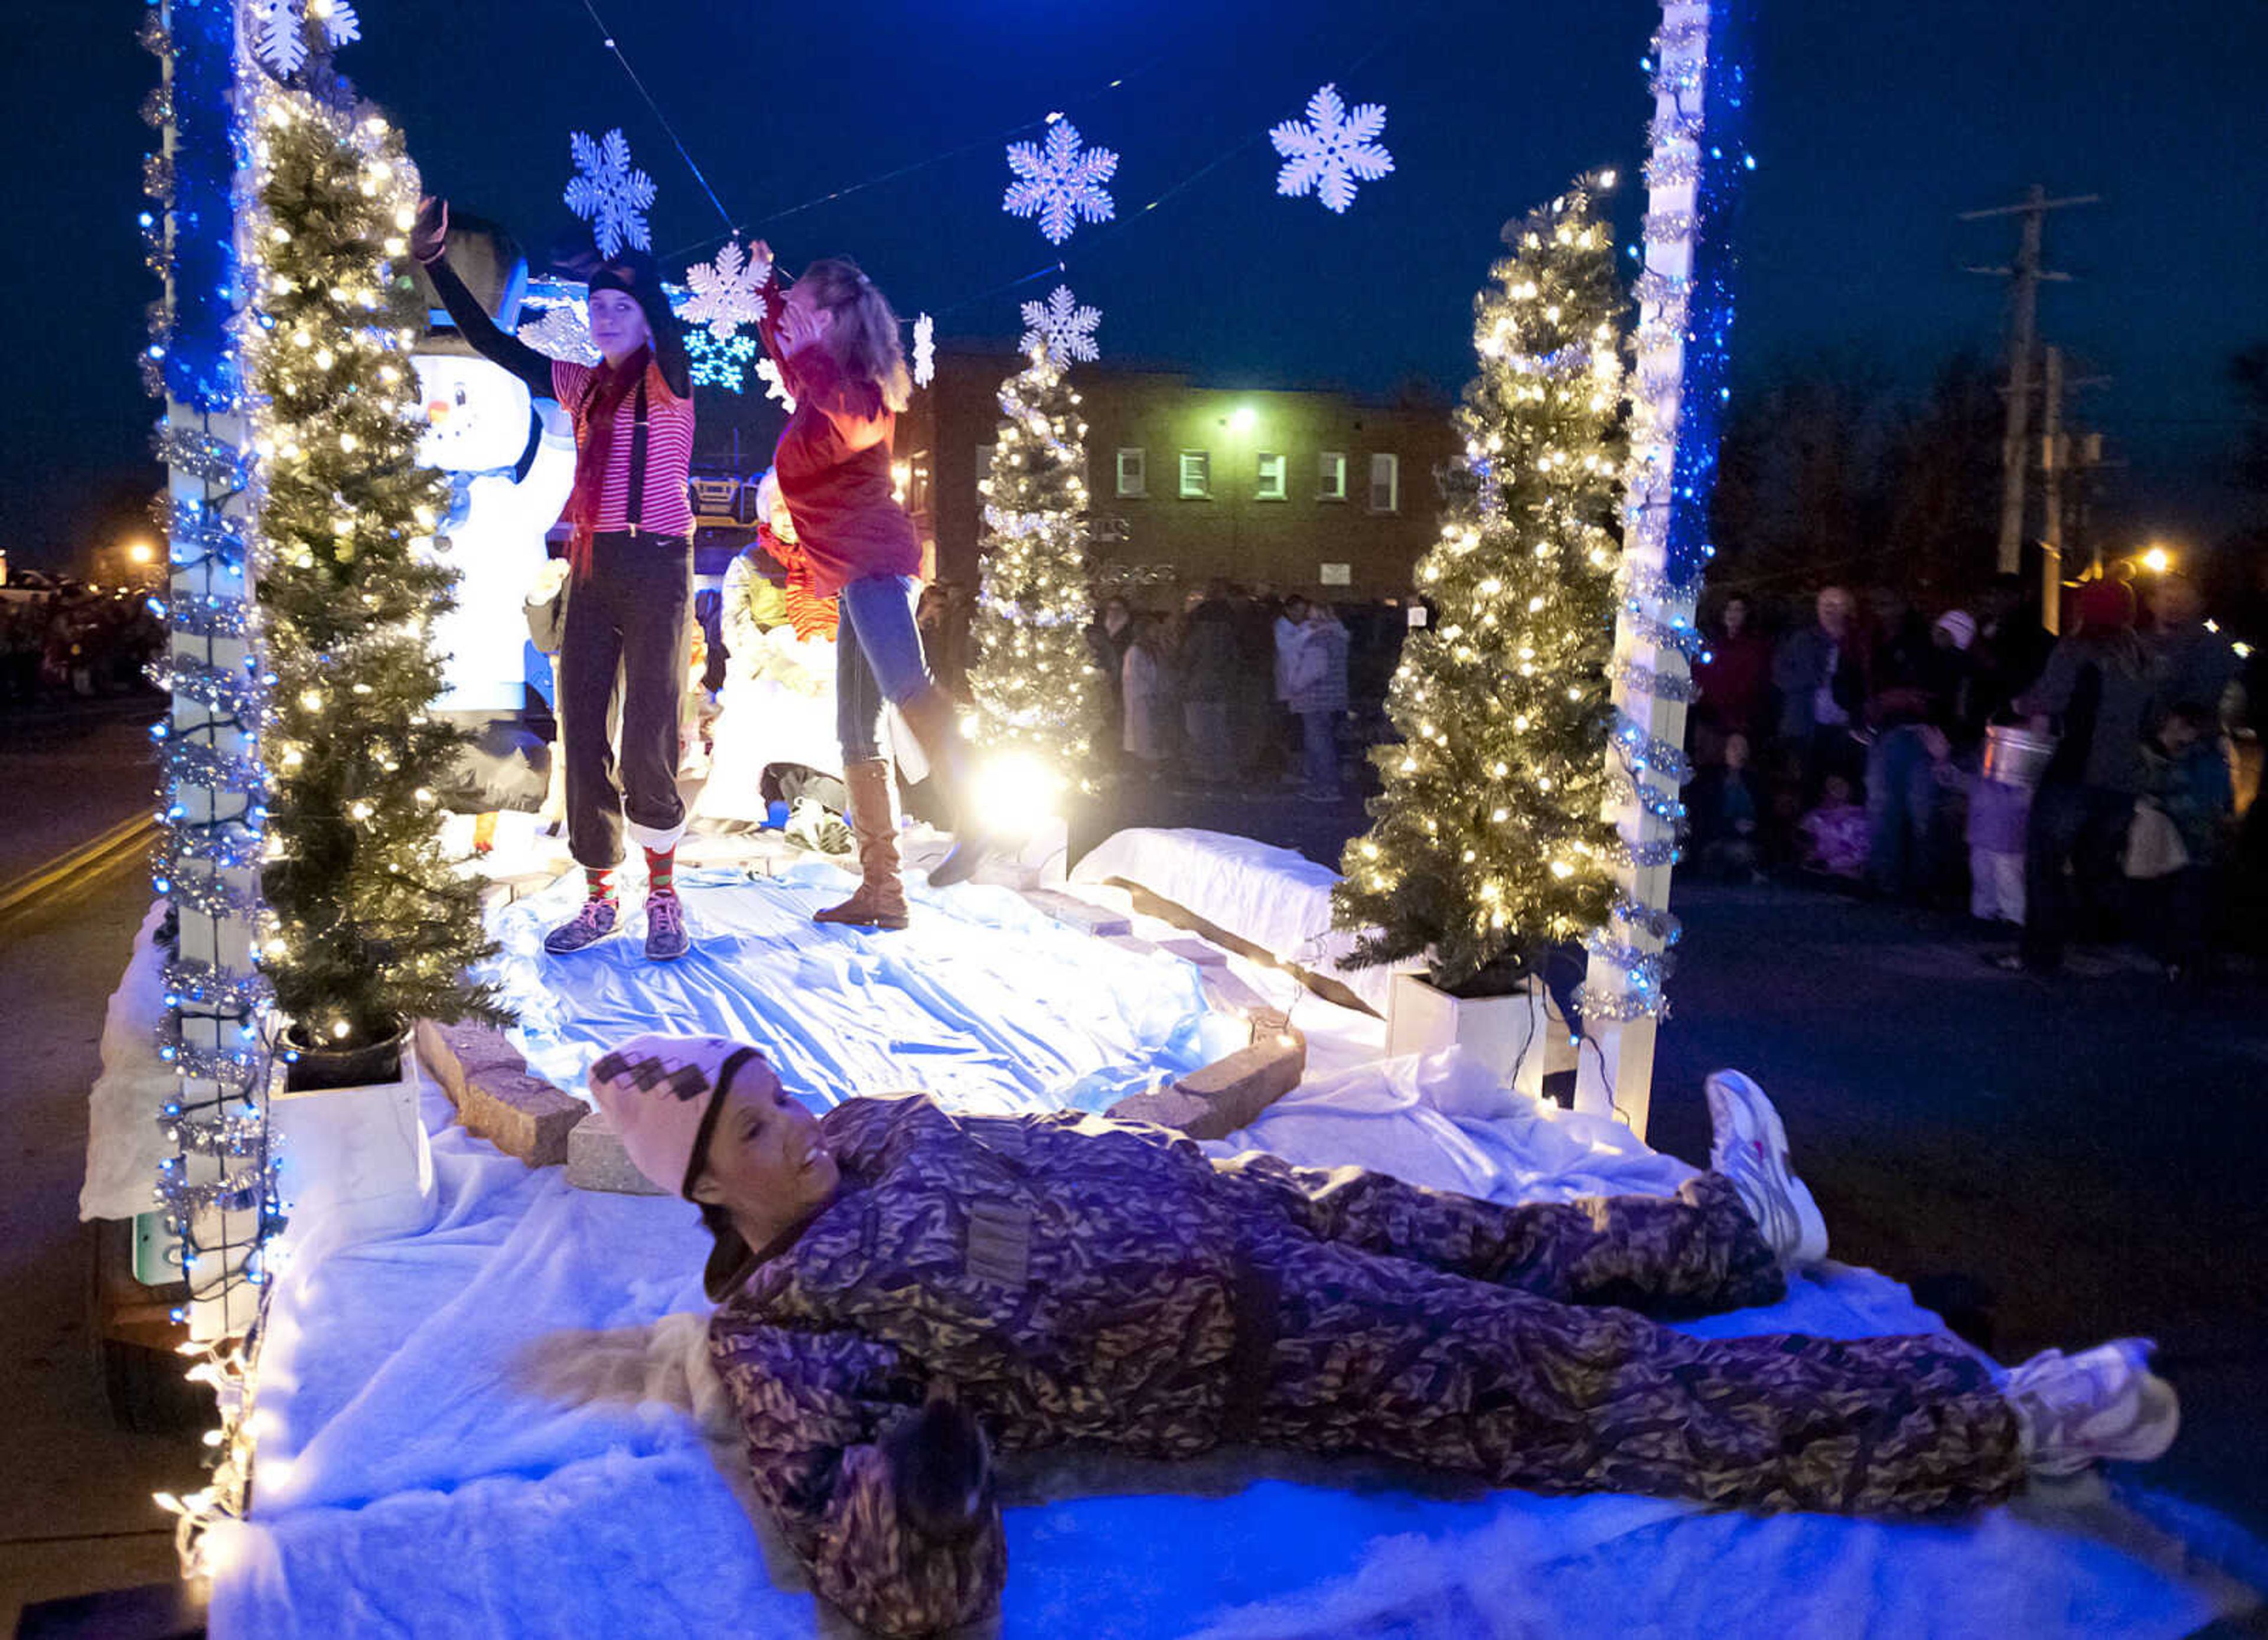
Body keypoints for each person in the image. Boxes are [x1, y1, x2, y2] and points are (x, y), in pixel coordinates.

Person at [585, 1036, 2178, 1639]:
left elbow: (1042, 1155)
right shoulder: (790, 1332)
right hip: (1282, 1343)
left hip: (1262, 1208)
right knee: (1593, 1387)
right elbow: (860, 1565)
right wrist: (919, 1494)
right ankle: (1991, 1427)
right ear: (712, 1190)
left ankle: (1741, 1232)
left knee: (1520, 1237)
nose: (790, 1115)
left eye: (769, 1090)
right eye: (753, 1121)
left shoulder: (868, 1133)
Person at [414, 198, 698, 961]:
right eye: (597, 306)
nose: (604, 318)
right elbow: (491, 341)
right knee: (582, 731)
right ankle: (601, 895)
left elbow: (661, 319)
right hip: (594, 565)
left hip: (659, 565)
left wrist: (630, 268)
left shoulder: (670, 378)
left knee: (646, 737)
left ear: (645, 317)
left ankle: (664, 896)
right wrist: (436, 263)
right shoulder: (580, 385)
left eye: (619, 307)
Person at [749, 242, 1000, 909]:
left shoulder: (858, 391)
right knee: (855, 730)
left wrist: (797, 342)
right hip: (853, 572)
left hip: (877, 564)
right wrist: (767, 290)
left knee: (905, 686)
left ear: (830, 320)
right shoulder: (819, 383)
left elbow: (852, 419)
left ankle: (980, 812)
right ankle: (882, 889)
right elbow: (785, 350)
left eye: (803, 311)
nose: (791, 327)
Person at [2003, 579, 2161, 974]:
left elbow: (2049, 699)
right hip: (2124, 781)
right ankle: (2146, 944)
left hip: (2075, 775)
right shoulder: (2145, 657)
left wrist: (2018, 702)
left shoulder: (2074, 650)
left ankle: (2039, 954)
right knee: (2099, 868)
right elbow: (2154, 720)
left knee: (2046, 866)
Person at [2141, 702, 2236, 980]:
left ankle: (2178, 961)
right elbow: (2225, 803)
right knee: (2199, 901)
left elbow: (2176, 800)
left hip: (2184, 842)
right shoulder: (2216, 759)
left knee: (2182, 902)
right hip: (2206, 844)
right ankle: (2200, 962)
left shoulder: (2187, 760)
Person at [1772, 586, 1869, 798]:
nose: (1831, 610)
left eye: (1838, 605)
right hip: (1806, 727)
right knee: (1806, 791)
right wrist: (1813, 679)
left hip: (1844, 730)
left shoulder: (1858, 642)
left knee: (1842, 791)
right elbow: (1780, 676)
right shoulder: (1802, 639)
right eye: (1826, 605)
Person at [2146, 574, 2241, 733]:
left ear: (2199, 605)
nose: (2174, 606)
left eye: (2183, 600)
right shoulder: (2135, 646)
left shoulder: (2214, 648)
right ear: (2152, 602)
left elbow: (2203, 700)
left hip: (2189, 750)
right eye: (2169, 599)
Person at [1690, 592, 1772, 761]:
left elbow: (1754, 685)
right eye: (1729, 609)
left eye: (1738, 610)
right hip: (1709, 720)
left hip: (1738, 723)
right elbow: (1699, 673)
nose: (1732, 614)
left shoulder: (1754, 647)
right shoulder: (1712, 643)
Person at [1177, 582, 1239, 782]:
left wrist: (1182, 682)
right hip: (1220, 687)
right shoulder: (1229, 630)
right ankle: (1223, 771)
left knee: (1198, 733)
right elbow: (1234, 660)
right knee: (1220, 731)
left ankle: (1202, 772)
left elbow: (1188, 659)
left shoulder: (1197, 632)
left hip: (1197, 687)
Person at [1288, 599, 1350, 800]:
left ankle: (1325, 786)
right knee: (1324, 742)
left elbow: (1313, 670)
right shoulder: (1338, 637)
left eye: (1312, 615)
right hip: (1331, 697)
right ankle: (1325, 784)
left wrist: (1294, 684)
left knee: (1318, 744)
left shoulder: (1319, 639)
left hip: (1314, 698)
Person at [1119, 616, 1170, 780]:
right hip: (1142, 700)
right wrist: (1148, 693)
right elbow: (1134, 678)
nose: (1157, 633)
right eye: (1153, 629)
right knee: (1143, 734)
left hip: (1152, 698)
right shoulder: (1135, 652)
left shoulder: (1153, 650)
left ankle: (1153, 768)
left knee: (1151, 734)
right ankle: (1148, 769)